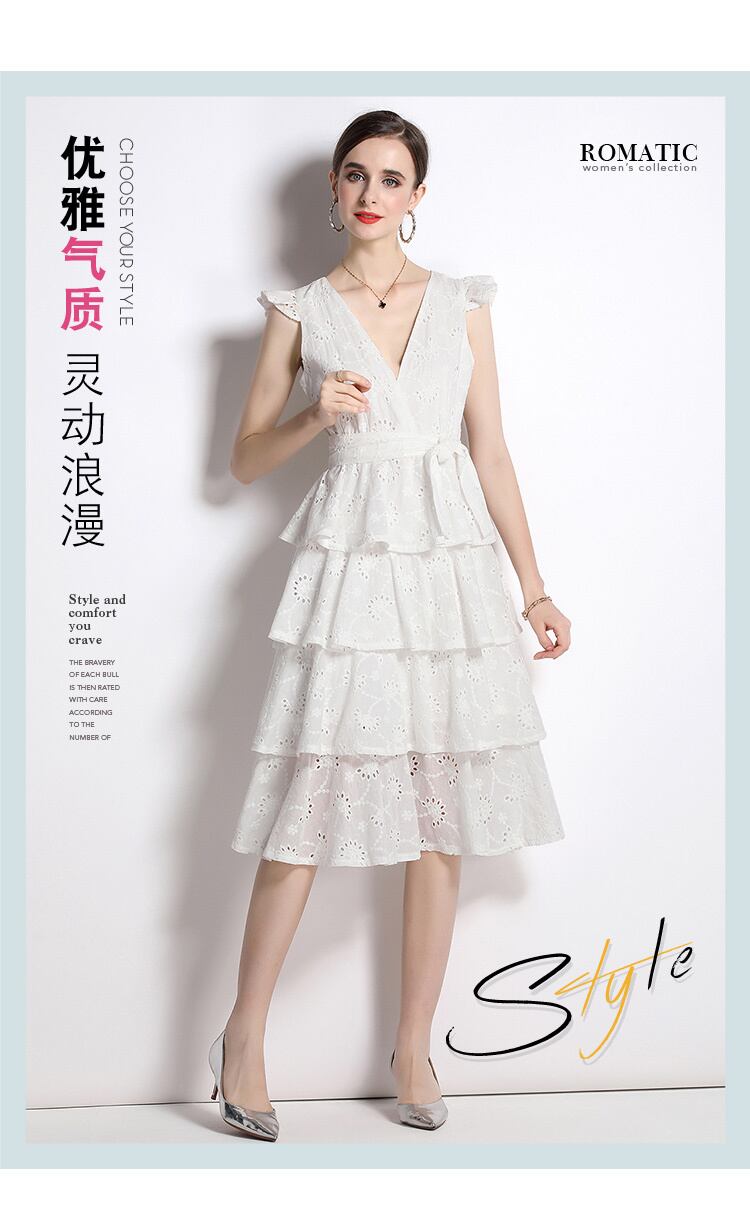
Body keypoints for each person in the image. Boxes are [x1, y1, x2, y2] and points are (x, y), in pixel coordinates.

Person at [209, 109, 571, 1141]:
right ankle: (242, 1039)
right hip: (354, 567)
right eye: (356, 174)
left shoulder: (462, 304)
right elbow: (242, 461)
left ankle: (413, 1047)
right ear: (334, 188)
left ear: (418, 195)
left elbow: (491, 450)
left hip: (449, 568)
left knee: (439, 809)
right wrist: (315, 414)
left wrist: (534, 589)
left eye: (392, 178)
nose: (372, 193)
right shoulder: (300, 312)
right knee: (308, 800)